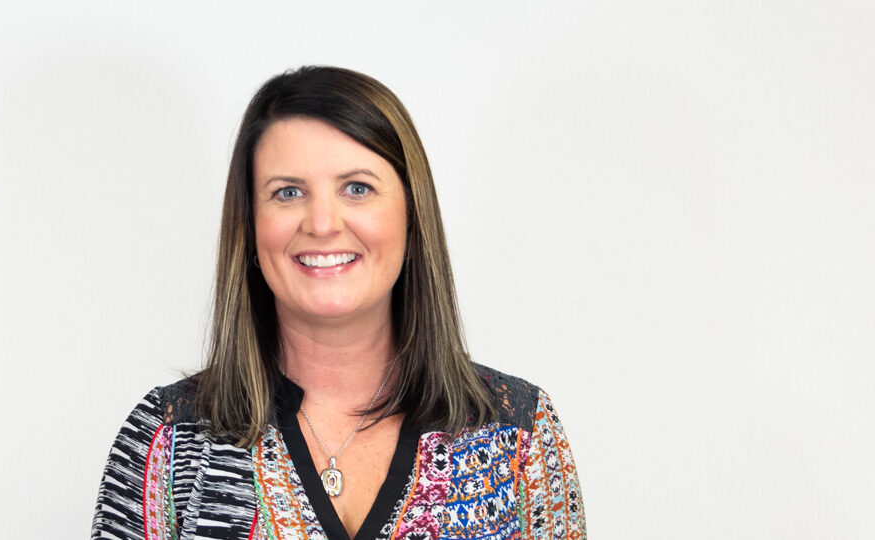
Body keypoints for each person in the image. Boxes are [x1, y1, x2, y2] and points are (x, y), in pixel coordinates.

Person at [91, 65, 586, 540]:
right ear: (249, 226)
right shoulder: (168, 441)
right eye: (288, 192)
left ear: (412, 215)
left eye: (357, 188)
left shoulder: (519, 434)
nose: (323, 223)